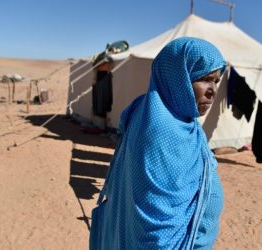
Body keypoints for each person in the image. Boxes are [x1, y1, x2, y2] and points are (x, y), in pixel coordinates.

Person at [90, 37, 227, 249]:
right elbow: (156, 227)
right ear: (178, 78)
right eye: (205, 79)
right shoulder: (161, 128)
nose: (213, 91)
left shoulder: (184, 121)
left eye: (216, 81)